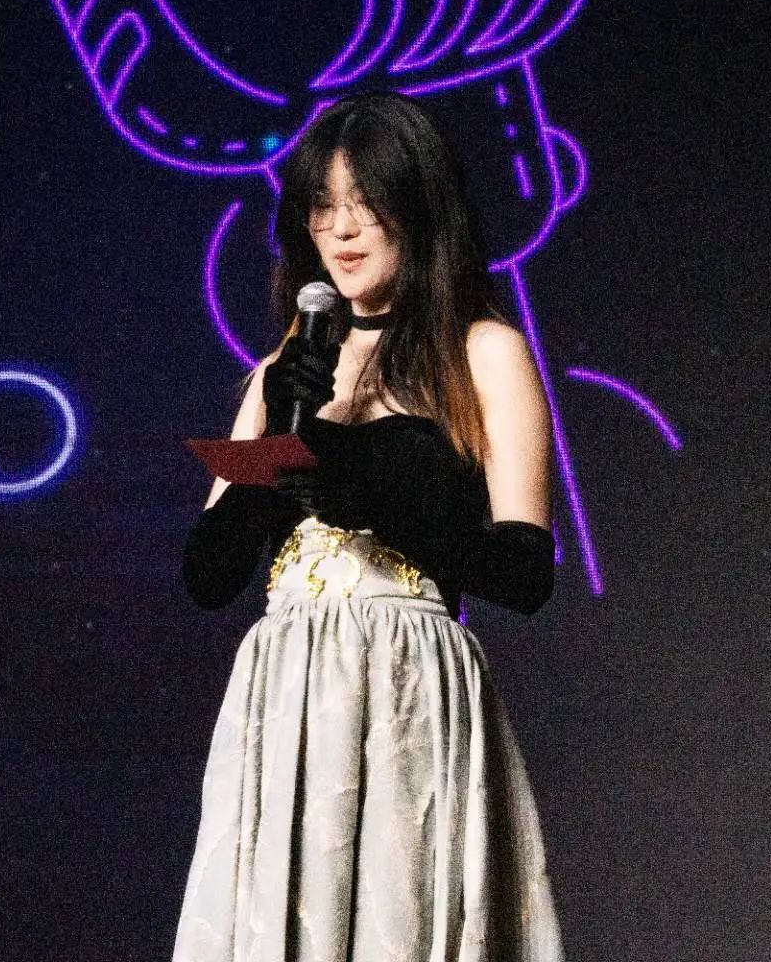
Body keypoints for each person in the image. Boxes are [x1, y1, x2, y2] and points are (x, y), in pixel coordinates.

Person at [172, 91, 564, 962]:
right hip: (289, 690)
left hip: (406, 681)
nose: (343, 230)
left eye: (367, 204)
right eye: (323, 207)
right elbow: (209, 572)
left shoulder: (480, 350)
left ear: (417, 210)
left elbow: (524, 572)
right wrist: (280, 433)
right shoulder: (283, 368)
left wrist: (359, 484)